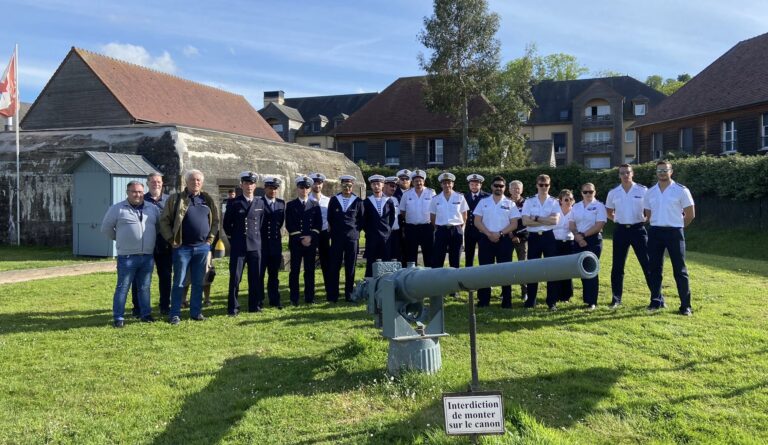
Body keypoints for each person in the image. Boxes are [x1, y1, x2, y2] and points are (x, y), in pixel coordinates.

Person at [159, 169, 220, 324]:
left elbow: (215, 222)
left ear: (202, 182)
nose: (196, 182)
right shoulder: (176, 199)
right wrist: (171, 239)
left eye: (199, 180)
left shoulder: (207, 199)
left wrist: (209, 240)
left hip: (202, 248)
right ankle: (175, 314)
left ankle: (196, 312)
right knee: (179, 282)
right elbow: (164, 221)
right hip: (182, 248)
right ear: (186, 182)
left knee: (199, 282)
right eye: (192, 180)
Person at [100, 180, 160, 327]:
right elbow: (106, 229)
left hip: (146, 256)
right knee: (123, 287)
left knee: (145, 287)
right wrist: (120, 239)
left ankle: (145, 314)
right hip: (127, 257)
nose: (137, 194)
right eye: (134, 191)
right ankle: (118, 318)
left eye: (140, 192)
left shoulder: (152, 209)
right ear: (127, 193)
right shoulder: (117, 209)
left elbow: (157, 227)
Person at [644, 160, 695, 316]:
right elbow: (648, 213)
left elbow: (690, 214)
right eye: (659, 171)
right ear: (656, 173)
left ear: (671, 171)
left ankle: (685, 306)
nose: (662, 173)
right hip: (655, 233)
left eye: (665, 170)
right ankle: (656, 301)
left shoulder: (681, 190)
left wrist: (677, 226)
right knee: (654, 269)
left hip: (674, 232)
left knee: (680, 270)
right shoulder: (650, 192)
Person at [605, 163, 651, 308]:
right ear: (619, 175)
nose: (625, 175)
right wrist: (617, 219)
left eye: (628, 172)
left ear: (632, 174)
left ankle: (657, 298)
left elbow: (650, 209)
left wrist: (646, 219)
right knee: (617, 266)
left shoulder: (643, 190)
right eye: (622, 173)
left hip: (638, 230)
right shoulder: (613, 192)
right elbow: (608, 211)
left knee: (647, 264)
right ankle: (616, 299)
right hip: (620, 231)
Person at [472, 176, 520, 308]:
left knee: (505, 271)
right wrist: (488, 234)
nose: (498, 188)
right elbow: (477, 221)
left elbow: (514, 223)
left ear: (505, 188)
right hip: (486, 239)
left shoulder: (510, 204)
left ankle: (506, 301)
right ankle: (483, 300)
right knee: (485, 270)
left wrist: (499, 233)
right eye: (496, 185)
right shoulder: (483, 202)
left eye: (501, 186)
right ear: (492, 187)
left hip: (504, 240)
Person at [222, 171, 264, 315]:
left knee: (255, 277)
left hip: (255, 245)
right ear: (241, 185)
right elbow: (227, 225)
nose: (249, 186)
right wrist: (235, 239)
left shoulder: (260, 202)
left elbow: (261, 224)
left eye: (251, 183)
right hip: (239, 246)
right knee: (235, 278)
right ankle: (233, 308)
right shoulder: (234, 202)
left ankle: (254, 306)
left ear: (255, 185)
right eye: (246, 183)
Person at [130, 172, 172, 316]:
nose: (156, 184)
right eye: (153, 181)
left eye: (159, 181)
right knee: (140, 278)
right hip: (145, 245)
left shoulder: (169, 200)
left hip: (164, 245)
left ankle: (165, 306)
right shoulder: (141, 199)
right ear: (147, 183)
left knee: (165, 277)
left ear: (162, 183)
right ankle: (138, 308)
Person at [521, 174, 560, 311]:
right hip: (533, 238)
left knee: (551, 270)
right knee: (533, 269)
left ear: (549, 185)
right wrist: (545, 220)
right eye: (541, 185)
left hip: (548, 237)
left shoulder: (554, 201)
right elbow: (525, 221)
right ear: (537, 185)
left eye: (546, 185)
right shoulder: (529, 201)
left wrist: (536, 218)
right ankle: (531, 301)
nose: (544, 187)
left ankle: (552, 302)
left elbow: (554, 221)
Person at [286, 175, 322, 305]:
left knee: (310, 271)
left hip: (310, 243)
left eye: (307, 187)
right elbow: (289, 224)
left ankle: (309, 297)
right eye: (302, 187)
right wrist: (300, 238)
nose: (304, 190)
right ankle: (294, 298)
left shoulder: (315, 205)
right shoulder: (290, 205)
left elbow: (318, 224)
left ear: (310, 189)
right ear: (298, 188)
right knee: (294, 271)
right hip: (296, 243)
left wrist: (311, 237)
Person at [570, 183, 607, 310]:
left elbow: (599, 225)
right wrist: (577, 236)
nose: (588, 194)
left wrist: (583, 236)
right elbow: (571, 223)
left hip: (593, 240)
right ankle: (586, 299)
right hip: (578, 238)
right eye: (585, 192)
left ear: (594, 192)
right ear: (581, 193)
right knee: (582, 269)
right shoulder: (576, 206)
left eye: (590, 192)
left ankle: (592, 301)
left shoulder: (599, 206)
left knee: (591, 270)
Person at [327, 175, 364, 302]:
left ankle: (349, 294)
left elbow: (361, 219)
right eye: (344, 185)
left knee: (350, 266)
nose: (347, 188)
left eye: (349, 185)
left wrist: (354, 231)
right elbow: (330, 218)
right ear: (341, 185)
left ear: (352, 186)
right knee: (334, 266)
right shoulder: (334, 200)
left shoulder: (358, 201)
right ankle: (333, 295)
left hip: (352, 239)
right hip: (337, 238)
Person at [430, 172, 468, 268]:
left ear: (453, 184)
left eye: (449, 183)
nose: (447, 185)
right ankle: (437, 281)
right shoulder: (435, 199)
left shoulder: (460, 197)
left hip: (456, 230)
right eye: (444, 183)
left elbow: (464, 215)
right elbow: (432, 216)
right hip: (441, 230)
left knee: (455, 260)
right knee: (438, 259)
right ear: (441, 185)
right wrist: (438, 227)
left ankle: (454, 282)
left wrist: (460, 228)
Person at [362, 174, 396, 277]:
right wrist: (370, 231)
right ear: (371, 186)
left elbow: (392, 218)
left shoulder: (389, 201)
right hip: (372, 236)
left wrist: (387, 229)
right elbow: (364, 219)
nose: (376, 186)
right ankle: (369, 283)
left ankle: (385, 283)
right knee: (371, 261)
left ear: (382, 185)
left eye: (378, 184)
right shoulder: (367, 202)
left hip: (385, 237)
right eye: (374, 184)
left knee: (386, 260)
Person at [260, 176, 286, 309]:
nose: (273, 191)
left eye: (275, 188)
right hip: (262, 244)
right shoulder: (258, 202)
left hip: (275, 244)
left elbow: (280, 223)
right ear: (265, 188)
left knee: (274, 274)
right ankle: (259, 300)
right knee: (260, 274)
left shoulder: (281, 203)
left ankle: (274, 300)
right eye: (270, 188)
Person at [401, 169, 435, 266]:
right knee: (410, 255)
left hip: (427, 227)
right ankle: (411, 277)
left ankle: (429, 276)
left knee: (429, 254)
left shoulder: (431, 193)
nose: (418, 183)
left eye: (420, 181)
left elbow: (435, 210)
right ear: (412, 182)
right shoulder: (406, 194)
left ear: (424, 181)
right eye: (416, 181)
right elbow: (403, 211)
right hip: (411, 228)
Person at [308, 172, 332, 299]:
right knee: (310, 263)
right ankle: (310, 293)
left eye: (319, 183)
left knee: (326, 263)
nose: (317, 185)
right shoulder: (307, 199)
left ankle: (329, 291)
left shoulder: (328, 200)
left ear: (322, 184)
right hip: (312, 234)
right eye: (315, 183)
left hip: (324, 234)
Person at [552, 189, 575, 303]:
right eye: (566, 199)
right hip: (555, 242)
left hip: (569, 242)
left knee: (567, 270)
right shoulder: (555, 211)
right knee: (555, 269)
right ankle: (555, 294)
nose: (568, 201)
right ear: (560, 200)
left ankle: (566, 295)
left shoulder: (575, 211)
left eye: (571, 199)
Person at [508, 180, 528, 301]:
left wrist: (519, 237)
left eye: (518, 188)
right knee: (507, 265)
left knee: (523, 266)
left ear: (522, 190)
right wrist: (511, 235)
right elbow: (503, 221)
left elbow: (528, 222)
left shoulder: (527, 203)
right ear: (509, 190)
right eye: (513, 188)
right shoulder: (504, 202)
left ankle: (524, 291)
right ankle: (506, 290)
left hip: (523, 239)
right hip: (507, 238)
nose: (516, 190)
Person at [464, 174, 489, 268]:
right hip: (469, 230)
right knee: (468, 255)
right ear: (469, 185)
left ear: (480, 185)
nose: (474, 186)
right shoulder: (464, 197)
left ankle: (483, 275)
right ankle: (468, 276)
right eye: (472, 184)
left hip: (482, 230)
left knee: (483, 255)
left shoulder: (487, 197)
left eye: (476, 184)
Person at [394, 169, 411, 265]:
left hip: (411, 225)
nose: (404, 181)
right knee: (398, 250)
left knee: (410, 250)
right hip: (398, 226)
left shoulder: (414, 192)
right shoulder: (394, 193)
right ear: (398, 180)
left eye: (407, 178)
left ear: (410, 180)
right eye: (402, 179)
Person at [383, 176, 402, 263]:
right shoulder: (379, 199)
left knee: (396, 258)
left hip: (395, 233)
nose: (394, 188)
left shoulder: (395, 199)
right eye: (391, 186)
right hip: (384, 233)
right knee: (385, 258)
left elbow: (398, 216)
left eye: (395, 186)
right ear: (384, 186)